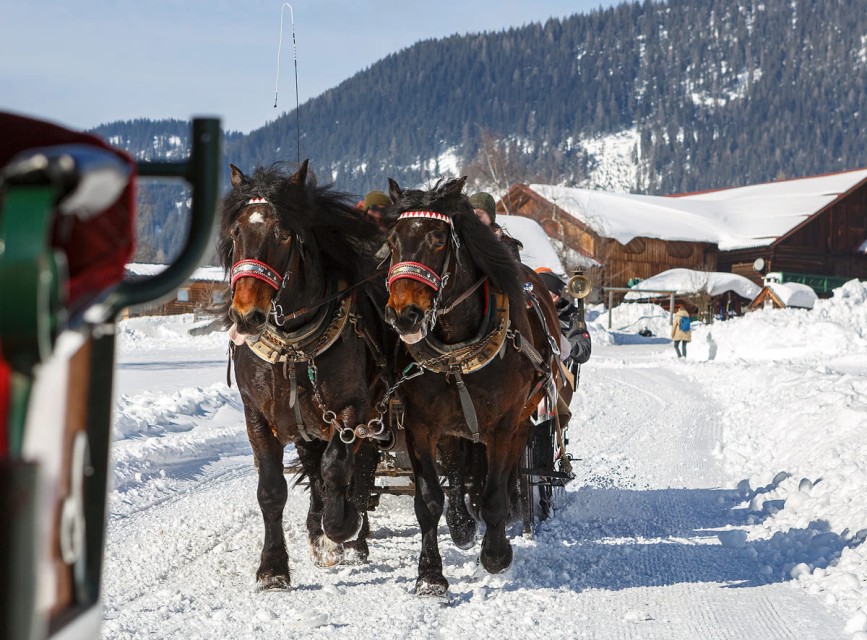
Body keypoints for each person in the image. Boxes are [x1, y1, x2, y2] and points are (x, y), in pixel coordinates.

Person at [535, 267, 592, 372]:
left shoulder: (572, 316)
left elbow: (584, 350)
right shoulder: (526, 310)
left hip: (556, 374)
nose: (555, 298)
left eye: (555, 295)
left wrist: (567, 346)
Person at [468, 191, 522, 260]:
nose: (474, 217)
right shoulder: (460, 237)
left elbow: (513, 269)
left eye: (480, 214)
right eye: (471, 212)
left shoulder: (507, 244)